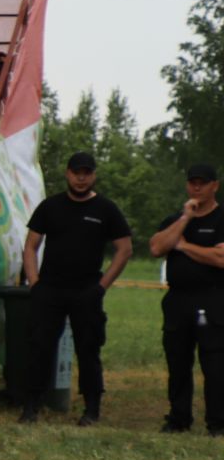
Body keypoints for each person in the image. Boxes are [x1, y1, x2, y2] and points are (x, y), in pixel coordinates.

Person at [20, 152, 132, 426]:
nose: (81, 178)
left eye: (86, 173)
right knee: (40, 347)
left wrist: (102, 286)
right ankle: (31, 406)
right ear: (67, 174)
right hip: (50, 289)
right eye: (76, 172)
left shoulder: (106, 209)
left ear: (93, 175)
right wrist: (34, 282)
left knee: (88, 349)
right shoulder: (50, 207)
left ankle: (91, 409)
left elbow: (125, 249)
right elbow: (31, 245)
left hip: (87, 291)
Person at [148, 163, 224, 435]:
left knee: (215, 366)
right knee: (178, 363)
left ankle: (217, 423)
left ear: (214, 185)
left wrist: (183, 246)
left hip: (213, 300)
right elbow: (157, 246)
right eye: (192, 182)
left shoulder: (220, 219)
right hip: (177, 301)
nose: (197, 187)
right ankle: (178, 418)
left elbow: (220, 258)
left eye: (202, 182)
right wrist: (185, 220)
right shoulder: (175, 220)